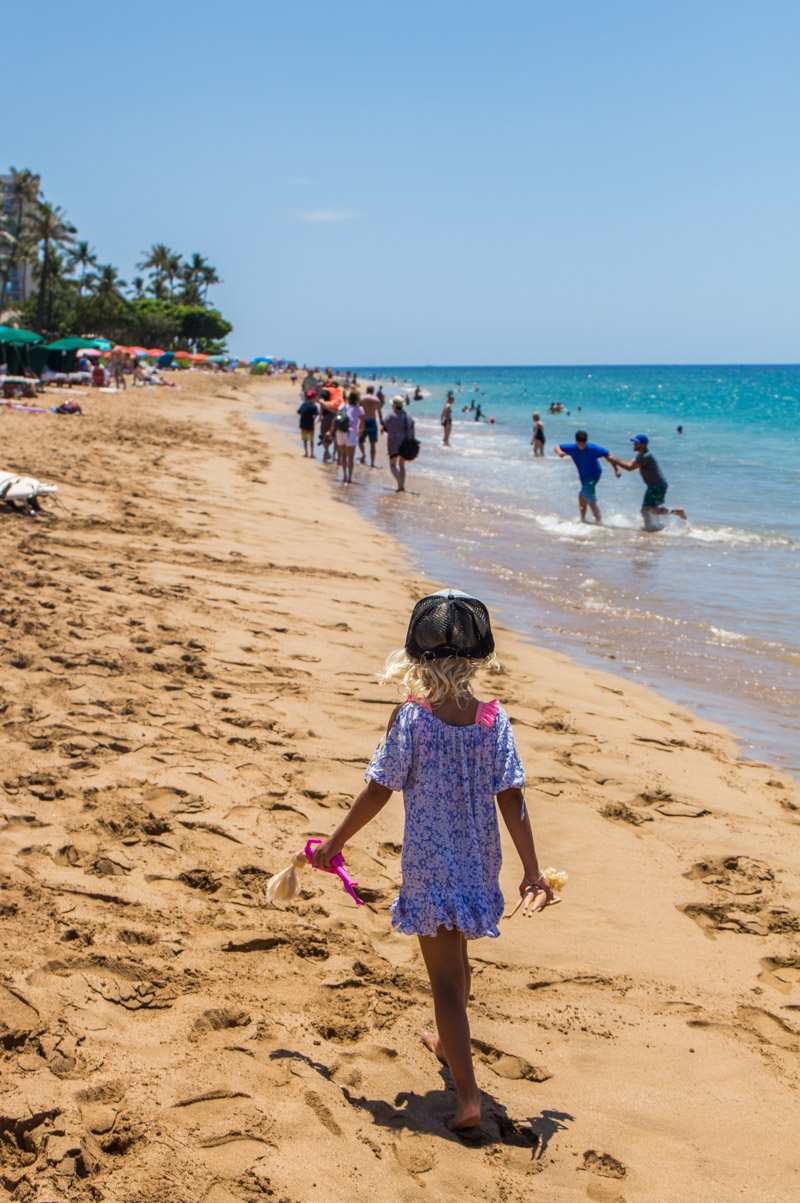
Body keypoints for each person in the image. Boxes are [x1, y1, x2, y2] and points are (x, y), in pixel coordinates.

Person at [312, 589, 558, 1131]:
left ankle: (467, 1098)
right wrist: (531, 871)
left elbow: (379, 789)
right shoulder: (494, 720)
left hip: (429, 867)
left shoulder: (412, 719)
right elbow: (512, 796)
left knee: (445, 983)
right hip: (477, 864)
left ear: (417, 658)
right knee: (459, 962)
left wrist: (334, 844)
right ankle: (447, 1047)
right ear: (478, 659)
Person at [609, 434, 687, 531]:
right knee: (652, 510)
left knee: (645, 511)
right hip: (658, 485)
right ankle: (675, 513)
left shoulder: (646, 456)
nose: (634, 444)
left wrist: (614, 459)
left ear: (643, 444)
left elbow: (629, 467)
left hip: (656, 487)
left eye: (636, 443)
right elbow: (630, 463)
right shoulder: (640, 455)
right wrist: (614, 460)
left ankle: (649, 529)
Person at [553, 429, 620, 523]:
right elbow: (557, 447)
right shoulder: (572, 448)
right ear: (576, 441)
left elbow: (609, 455)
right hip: (584, 478)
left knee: (581, 495)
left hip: (594, 475)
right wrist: (560, 453)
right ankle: (599, 521)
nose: (582, 445)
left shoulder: (592, 449)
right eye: (580, 443)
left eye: (584, 443)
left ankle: (582, 519)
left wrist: (616, 469)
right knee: (591, 501)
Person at [383, 395, 415, 492]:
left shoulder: (390, 415)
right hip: (406, 443)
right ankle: (401, 485)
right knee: (402, 465)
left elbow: (385, 427)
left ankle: (400, 484)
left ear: (394, 405)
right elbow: (413, 428)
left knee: (393, 465)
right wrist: (412, 441)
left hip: (394, 443)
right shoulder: (408, 415)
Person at [333, 389, 365, 483]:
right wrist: (361, 431)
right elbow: (362, 422)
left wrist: (331, 431)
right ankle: (349, 478)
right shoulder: (359, 409)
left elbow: (336, 417)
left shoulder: (342, 406)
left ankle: (344, 476)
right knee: (350, 457)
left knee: (343, 455)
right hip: (351, 433)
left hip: (340, 432)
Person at [358, 385, 384, 466]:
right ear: (373, 391)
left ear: (366, 391)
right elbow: (380, 414)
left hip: (364, 421)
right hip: (372, 422)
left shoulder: (362, 399)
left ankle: (363, 454)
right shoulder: (377, 400)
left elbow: (357, 410)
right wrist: (382, 425)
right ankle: (372, 463)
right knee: (373, 443)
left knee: (360, 441)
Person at [297, 390, 319, 458]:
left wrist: (304, 416)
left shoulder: (303, 404)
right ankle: (312, 453)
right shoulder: (314, 406)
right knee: (311, 439)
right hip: (310, 424)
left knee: (305, 439)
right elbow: (316, 414)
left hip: (303, 424)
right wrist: (314, 419)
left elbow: (299, 412)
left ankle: (306, 453)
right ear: (313, 398)